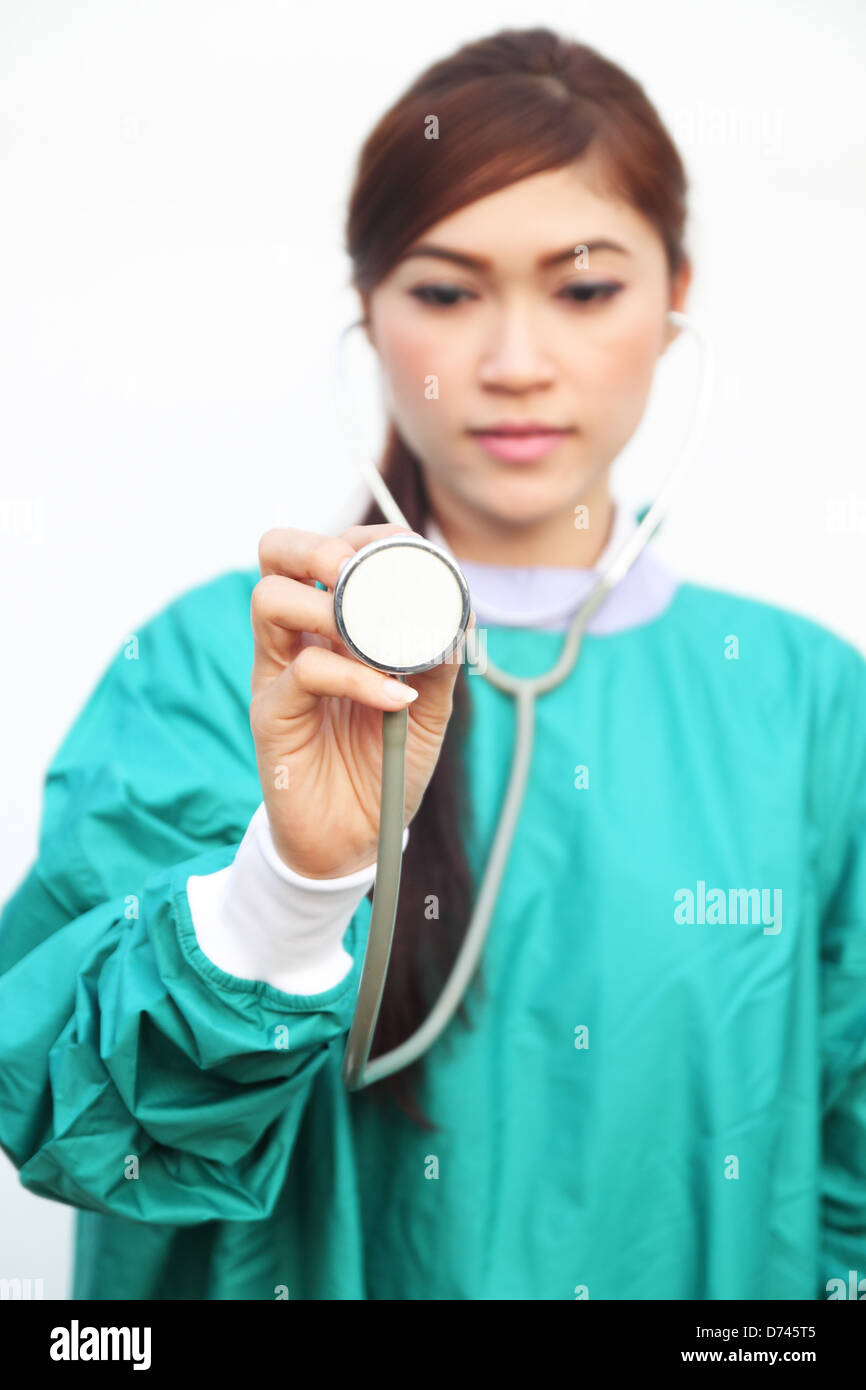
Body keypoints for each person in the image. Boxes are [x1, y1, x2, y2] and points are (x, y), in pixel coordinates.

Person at [1, 26, 864, 1303]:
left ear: (673, 302)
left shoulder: (809, 703)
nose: (513, 363)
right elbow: (78, 1119)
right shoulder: (225, 662)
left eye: (582, 290)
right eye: (447, 291)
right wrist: (289, 886)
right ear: (369, 312)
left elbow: (842, 1179)